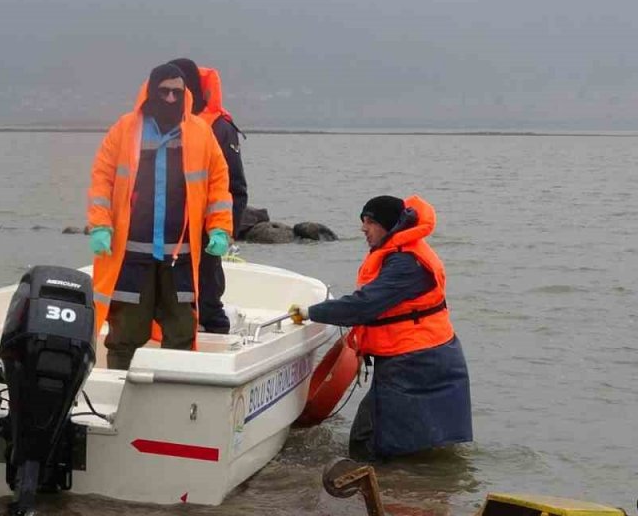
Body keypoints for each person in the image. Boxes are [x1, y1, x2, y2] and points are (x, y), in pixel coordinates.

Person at [289, 195, 472, 460]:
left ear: (389, 226)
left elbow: (363, 306)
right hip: (420, 357)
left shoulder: (407, 264)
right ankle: (412, 488)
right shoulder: (400, 254)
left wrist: (309, 312)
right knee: (407, 444)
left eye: (371, 221)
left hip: (418, 363)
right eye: (363, 221)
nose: (363, 228)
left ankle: (388, 490)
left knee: (372, 441)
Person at [86, 63, 234, 369]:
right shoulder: (125, 130)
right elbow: (102, 180)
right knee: (125, 332)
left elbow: (219, 187)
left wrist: (220, 230)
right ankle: (119, 389)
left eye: (176, 92)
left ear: (185, 95)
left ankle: (175, 395)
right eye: (163, 91)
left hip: (178, 256)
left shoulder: (201, 134)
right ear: (151, 92)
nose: (170, 98)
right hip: (132, 254)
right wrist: (100, 226)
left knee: (181, 330)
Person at [167, 58, 247, 334]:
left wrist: (224, 232)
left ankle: (216, 343)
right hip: (168, 232)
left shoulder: (219, 128)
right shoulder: (163, 124)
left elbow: (235, 187)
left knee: (208, 298)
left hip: (205, 231)